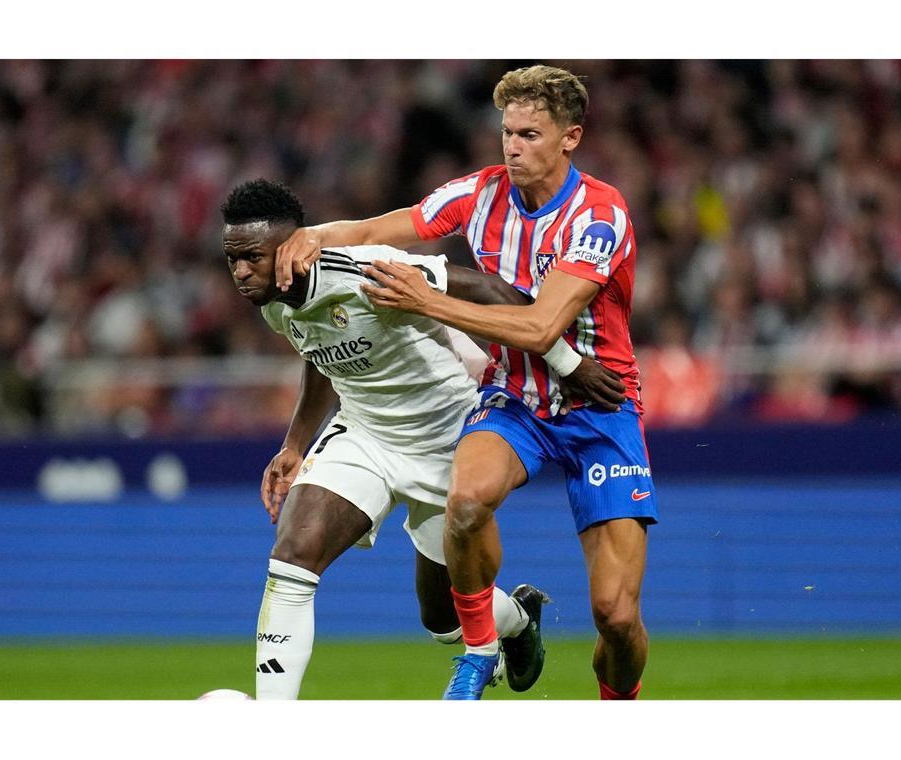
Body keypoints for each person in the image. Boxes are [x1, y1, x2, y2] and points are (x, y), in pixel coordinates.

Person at [274, 65, 658, 700]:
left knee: (615, 617)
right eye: (507, 132)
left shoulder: (599, 214)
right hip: (515, 399)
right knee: (466, 501)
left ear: (571, 138)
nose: (513, 147)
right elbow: (373, 232)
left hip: (599, 405)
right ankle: (480, 652)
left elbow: (538, 326)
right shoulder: (479, 194)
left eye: (530, 135)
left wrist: (429, 299)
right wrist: (308, 236)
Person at [221, 178, 626, 699]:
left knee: (443, 620)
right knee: (292, 555)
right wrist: (295, 444)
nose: (239, 272)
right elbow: (319, 351)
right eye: (231, 258)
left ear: (292, 245)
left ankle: (518, 620)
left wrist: (566, 363)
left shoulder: (367, 270)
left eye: (252, 257)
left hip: (445, 437)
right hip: (364, 433)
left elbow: (494, 292)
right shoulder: (273, 299)